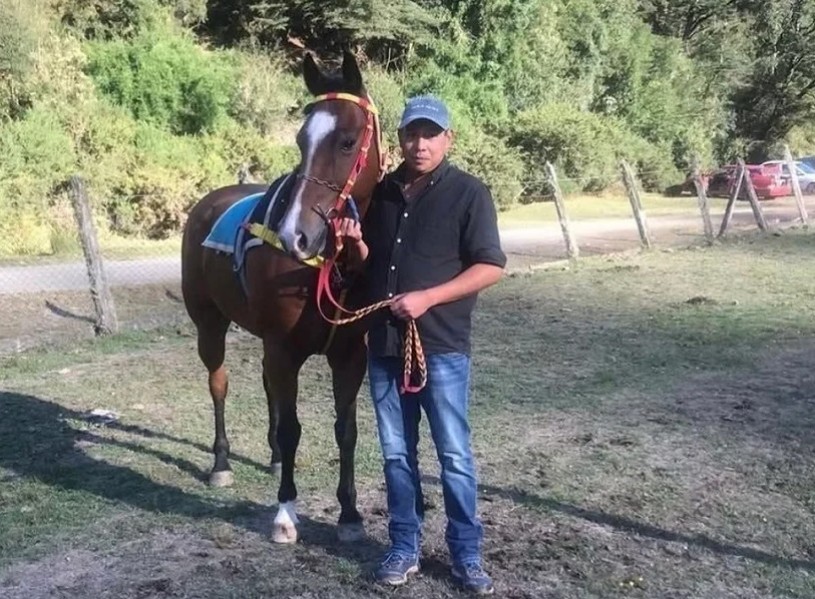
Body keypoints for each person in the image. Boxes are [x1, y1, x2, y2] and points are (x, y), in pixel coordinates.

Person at [338, 95, 506, 595]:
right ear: (400, 138)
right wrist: (356, 242)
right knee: (396, 454)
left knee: (454, 455)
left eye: (431, 134)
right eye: (412, 134)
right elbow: (369, 264)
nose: (420, 144)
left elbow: (490, 266)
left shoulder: (470, 193)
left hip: (442, 348)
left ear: (448, 139)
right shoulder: (383, 193)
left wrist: (428, 297)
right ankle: (403, 546)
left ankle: (466, 554)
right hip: (385, 347)